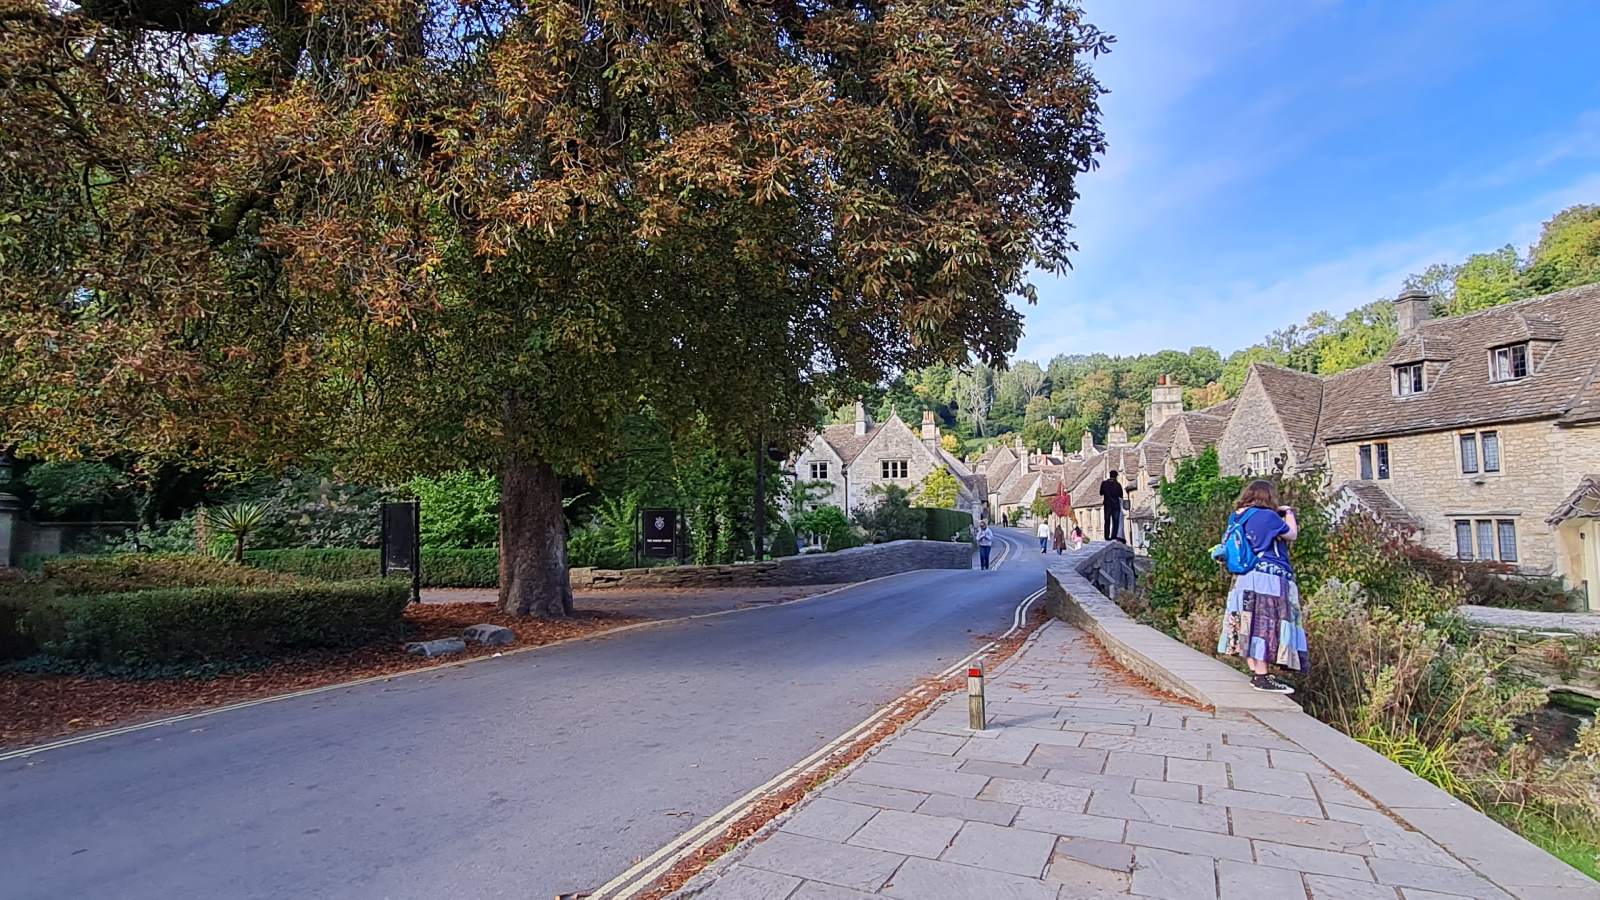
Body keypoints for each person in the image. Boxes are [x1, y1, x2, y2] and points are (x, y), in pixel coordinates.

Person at [1215, 480, 1308, 694]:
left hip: (1243, 577)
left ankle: (1255, 670)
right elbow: (1292, 534)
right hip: (1268, 577)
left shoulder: (1237, 516)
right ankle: (1262, 676)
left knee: (1248, 621)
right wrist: (1289, 513)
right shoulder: (1268, 516)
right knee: (1265, 623)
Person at [1099, 470, 1125, 542]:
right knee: (1115, 521)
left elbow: (1101, 493)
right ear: (1116, 476)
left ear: (1110, 475)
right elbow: (1121, 495)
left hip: (1107, 504)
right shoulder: (1118, 484)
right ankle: (1113, 536)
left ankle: (1107, 536)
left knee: (1107, 521)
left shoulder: (1104, 483)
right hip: (1116, 505)